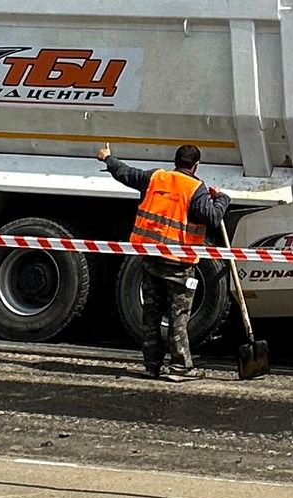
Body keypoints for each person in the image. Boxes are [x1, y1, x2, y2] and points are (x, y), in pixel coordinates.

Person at [97, 142, 229, 379]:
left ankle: (151, 365)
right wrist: (222, 198)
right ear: (196, 166)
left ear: (175, 162)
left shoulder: (156, 178)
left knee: (152, 313)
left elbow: (125, 173)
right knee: (178, 315)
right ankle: (179, 367)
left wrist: (108, 158)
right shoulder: (195, 187)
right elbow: (211, 217)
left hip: (151, 258)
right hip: (178, 264)